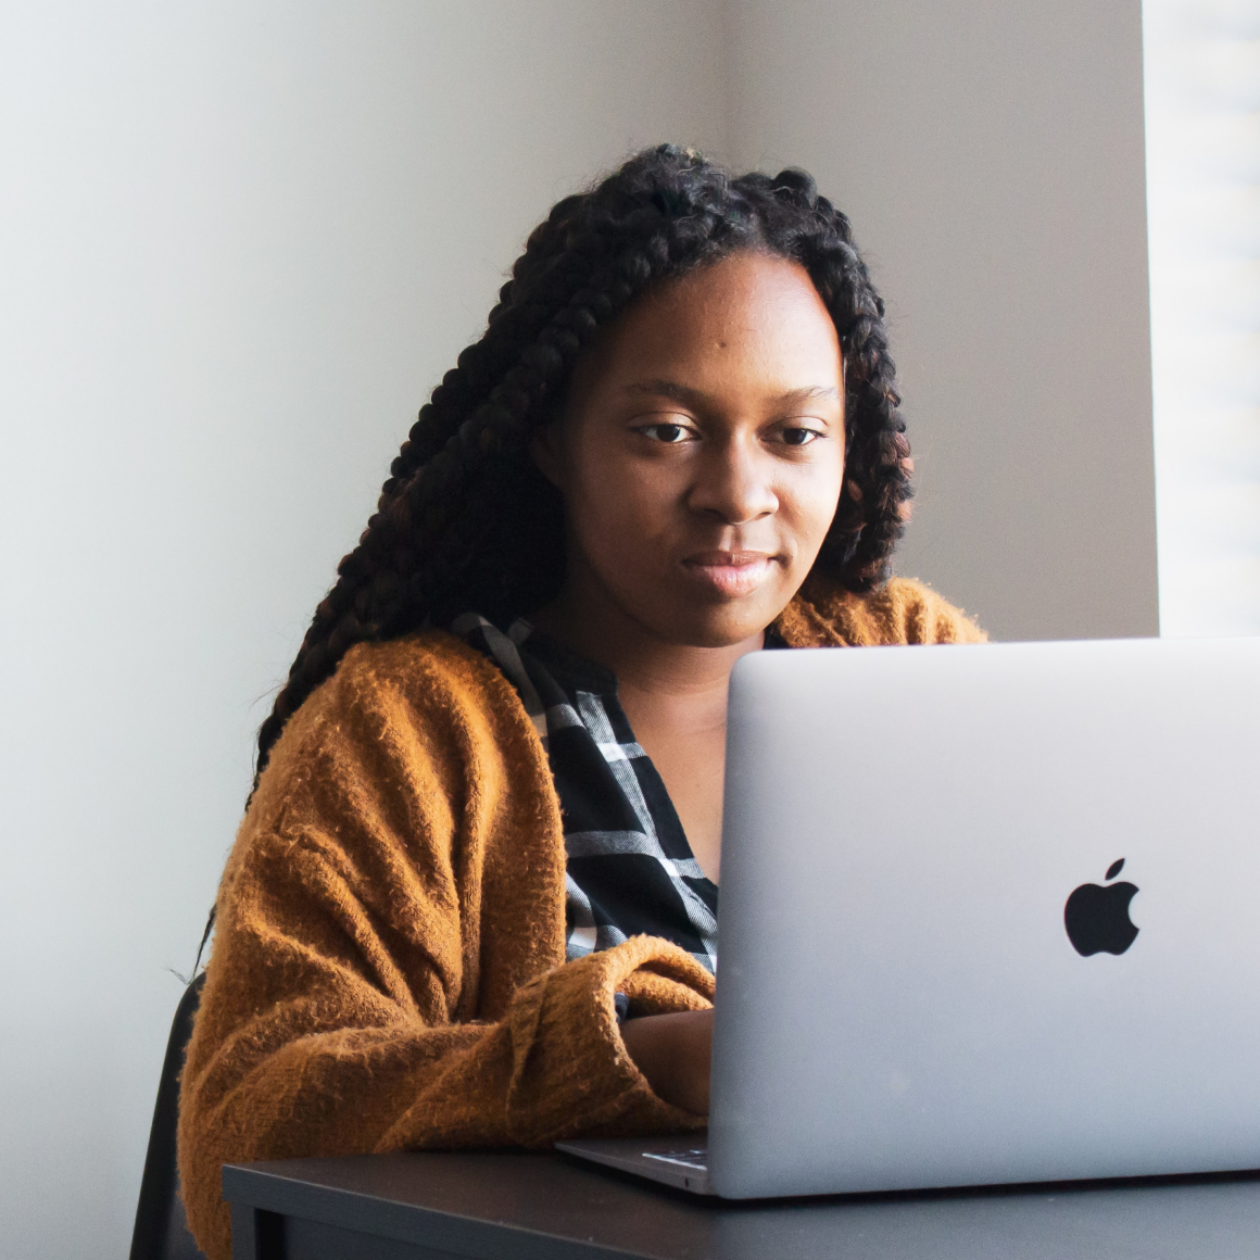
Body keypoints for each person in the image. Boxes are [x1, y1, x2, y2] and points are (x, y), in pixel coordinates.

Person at [176, 145, 984, 1259]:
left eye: (794, 434)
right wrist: (639, 1060)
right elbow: (249, 1126)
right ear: (552, 437)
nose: (738, 494)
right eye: (667, 431)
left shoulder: (913, 664)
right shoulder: (408, 728)